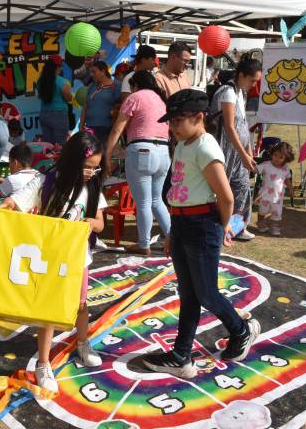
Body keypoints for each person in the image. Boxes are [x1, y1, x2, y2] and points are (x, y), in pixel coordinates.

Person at [143, 90, 259, 378]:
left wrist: (221, 229)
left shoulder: (206, 147)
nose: (172, 127)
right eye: (170, 121)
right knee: (189, 293)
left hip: (203, 226)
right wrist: (171, 233)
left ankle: (241, 330)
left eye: (178, 120)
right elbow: (179, 192)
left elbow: (227, 196)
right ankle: (181, 355)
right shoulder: (183, 144)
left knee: (206, 293)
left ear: (199, 118)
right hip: (182, 225)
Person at [0, 131, 107, 393]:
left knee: (81, 305)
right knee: (49, 310)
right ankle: (43, 363)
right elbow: (18, 198)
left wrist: (91, 223)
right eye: (87, 167)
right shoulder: (46, 182)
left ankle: (83, 342)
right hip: (50, 260)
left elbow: (101, 223)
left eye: (96, 168)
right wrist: (7, 203)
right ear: (72, 161)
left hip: (79, 258)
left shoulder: (92, 187)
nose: (91, 172)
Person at [104, 71, 171, 255]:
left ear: (135, 86)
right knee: (157, 200)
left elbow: (118, 129)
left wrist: (107, 155)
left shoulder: (135, 97)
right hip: (163, 151)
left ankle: (143, 243)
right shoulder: (160, 99)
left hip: (142, 150)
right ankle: (174, 238)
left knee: (143, 202)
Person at [211, 58, 262, 241]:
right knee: (221, 191)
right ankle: (220, 228)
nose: (254, 85)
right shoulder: (228, 92)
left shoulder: (240, 92)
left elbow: (243, 125)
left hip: (237, 151)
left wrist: (248, 150)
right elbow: (230, 127)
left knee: (241, 188)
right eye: (253, 80)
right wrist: (244, 155)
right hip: (224, 150)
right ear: (242, 75)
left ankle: (237, 227)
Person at [255, 142, 294, 236]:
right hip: (265, 195)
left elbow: (288, 179)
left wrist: (290, 188)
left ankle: (274, 227)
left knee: (276, 214)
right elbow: (255, 169)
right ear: (272, 154)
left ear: (286, 159)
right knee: (262, 211)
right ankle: (261, 224)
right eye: (275, 155)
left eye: (281, 157)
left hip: (278, 198)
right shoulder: (266, 165)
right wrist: (249, 164)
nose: (277, 158)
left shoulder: (285, 169)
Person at [80, 61, 120, 146]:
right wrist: (81, 126)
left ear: (103, 71)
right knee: (90, 155)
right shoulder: (92, 86)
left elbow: (121, 105)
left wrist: (113, 114)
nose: (92, 74)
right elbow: (85, 106)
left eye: (94, 72)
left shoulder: (116, 85)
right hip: (89, 128)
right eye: (91, 72)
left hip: (106, 128)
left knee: (103, 155)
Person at [35, 56, 73, 145]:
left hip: (44, 114)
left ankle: (49, 159)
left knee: (48, 145)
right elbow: (69, 97)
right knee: (60, 145)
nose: (61, 69)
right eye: (60, 67)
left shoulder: (40, 80)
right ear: (57, 67)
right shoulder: (62, 81)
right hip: (59, 115)